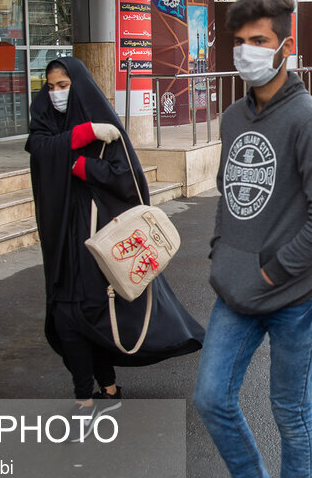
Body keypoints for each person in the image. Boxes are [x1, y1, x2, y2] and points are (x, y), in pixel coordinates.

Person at [192, 0, 312, 478]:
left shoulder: (308, 120)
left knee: (289, 410)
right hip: (236, 292)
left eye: (259, 42)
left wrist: (273, 269)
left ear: (287, 47)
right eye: (240, 42)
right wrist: (220, 255)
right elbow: (232, 198)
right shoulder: (233, 118)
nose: (247, 52)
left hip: (294, 297)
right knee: (211, 397)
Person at [26, 57, 204, 426]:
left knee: (90, 316)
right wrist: (83, 134)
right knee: (66, 317)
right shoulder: (49, 120)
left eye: (64, 86)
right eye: (51, 86)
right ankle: (94, 394)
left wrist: (82, 166)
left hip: (99, 241)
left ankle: (98, 395)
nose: (56, 93)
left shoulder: (108, 127)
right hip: (63, 240)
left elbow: (128, 181)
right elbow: (39, 149)